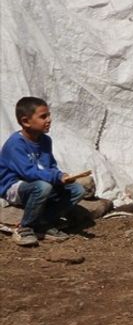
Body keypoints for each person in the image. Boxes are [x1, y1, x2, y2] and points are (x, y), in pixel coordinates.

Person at [0, 97, 85, 246]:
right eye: (43, 116)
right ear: (26, 121)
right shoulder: (15, 144)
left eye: (49, 115)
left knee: (77, 189)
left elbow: (50, 166)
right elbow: (28, 172)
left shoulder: (45, 140)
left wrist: (63, 177)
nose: (49, 119)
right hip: (15, 186)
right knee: (43, 186)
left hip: (37, 184)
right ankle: (25, 228)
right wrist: (56, 176)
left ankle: (43, 223)